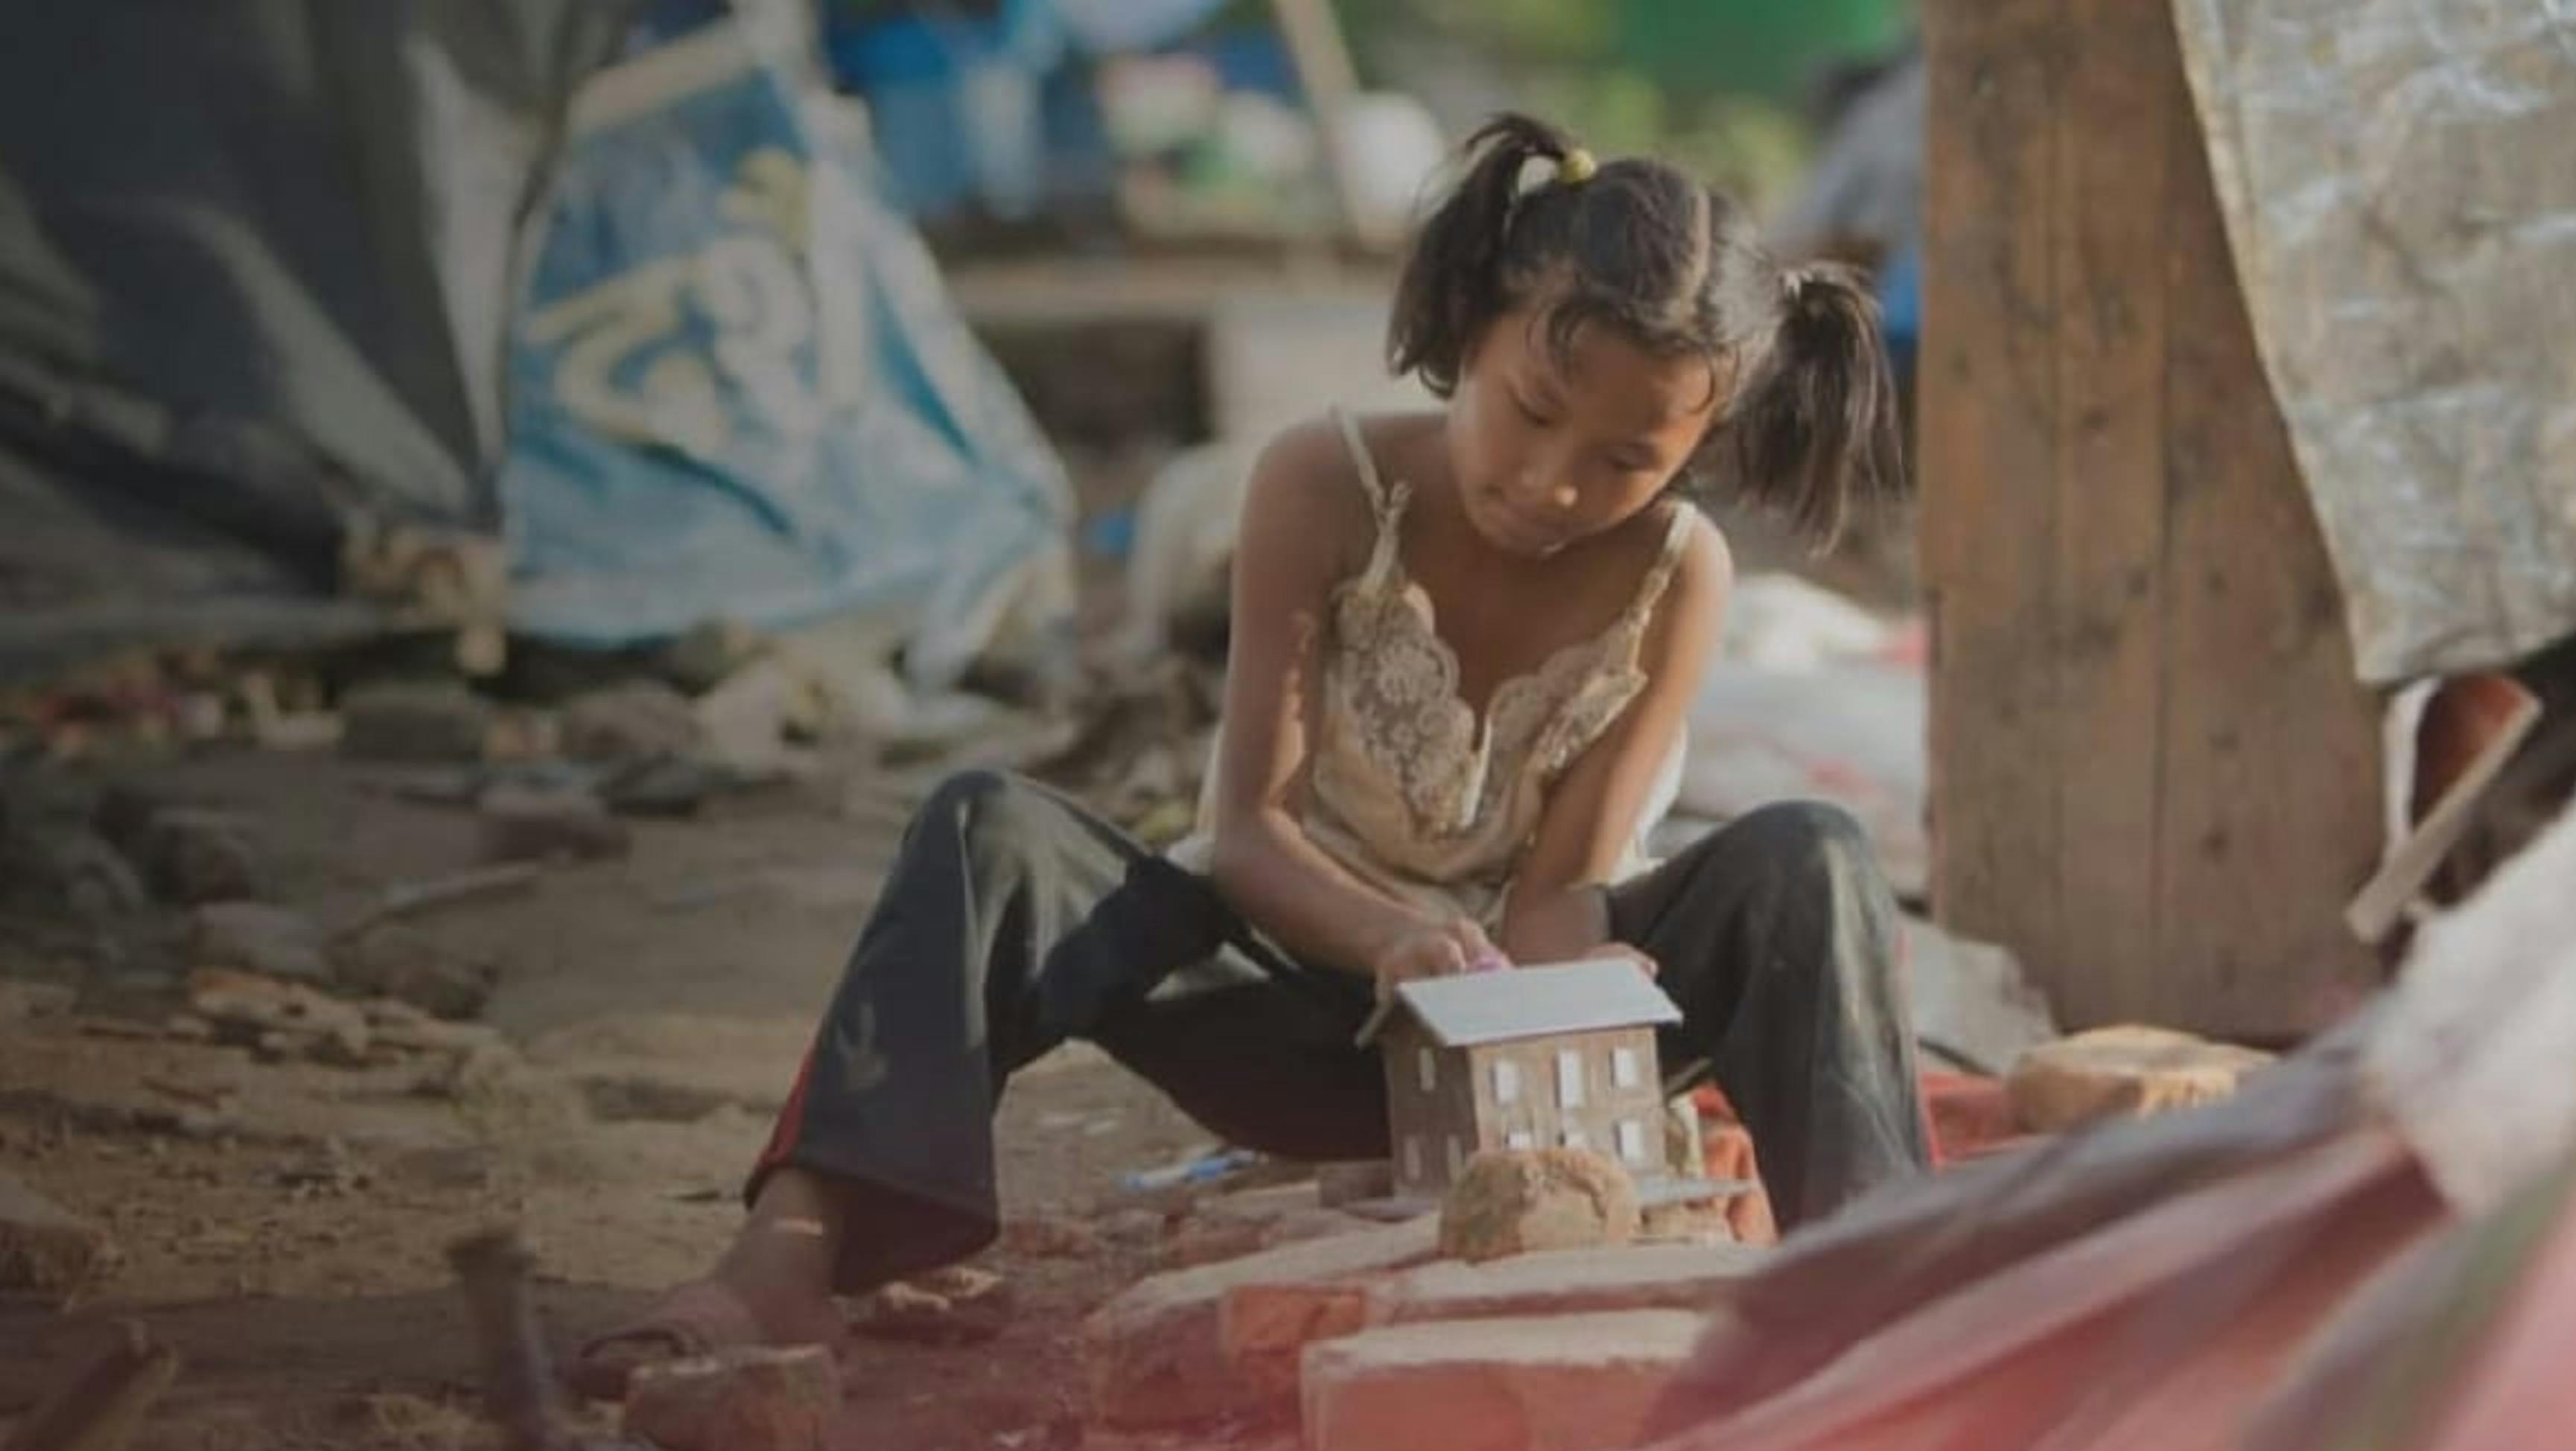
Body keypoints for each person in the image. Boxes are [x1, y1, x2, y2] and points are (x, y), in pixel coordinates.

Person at [580, 112, 1931, 1383]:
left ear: (1697, 446)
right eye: (1530, 411)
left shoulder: (1676, 574)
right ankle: (791, 1255)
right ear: (1472, 331)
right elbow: (1247, 835)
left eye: (1625, 457)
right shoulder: (1320, 482)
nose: (1550, 482)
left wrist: (1569, 979)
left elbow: (1555, 889)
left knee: (1806, 856)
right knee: (988, 830)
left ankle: (1882, 1286)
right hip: (1292, 1015)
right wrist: (1388, 940)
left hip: (1508, 1043)